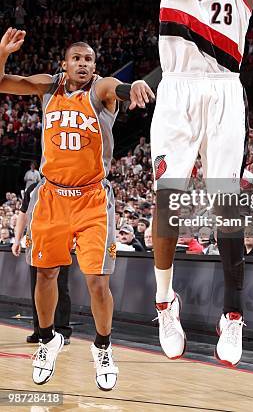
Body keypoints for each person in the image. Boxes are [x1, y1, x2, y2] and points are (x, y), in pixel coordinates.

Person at [121, 0, 253, 366]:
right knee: (168, 198)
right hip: (177, 92)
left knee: (226, 206)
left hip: (224, 91)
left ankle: (232, 316)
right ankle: (164, 299)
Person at [0, 27, 154, 389]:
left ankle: (102, 347)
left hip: (92, 199)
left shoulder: (100, 90)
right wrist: (3, 52)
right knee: (46, 275)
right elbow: (4, 82)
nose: (83, 64)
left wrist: (130, 88)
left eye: (89, 59)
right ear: (64, 65)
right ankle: (48, 337)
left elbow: (114, 87)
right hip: (51, 196)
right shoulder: (48, 87)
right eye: (77, 59)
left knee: (98, 282)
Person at [12, 181, 72, 345]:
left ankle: (61, 330)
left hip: (60, 238)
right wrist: (17, 240)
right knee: (37, 287)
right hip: (37, 240)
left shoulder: (66, 186)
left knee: (60, 286)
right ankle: (40, 330)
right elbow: (23, 213)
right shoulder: (33, 188)